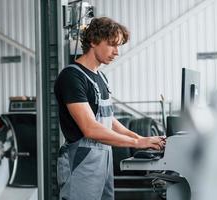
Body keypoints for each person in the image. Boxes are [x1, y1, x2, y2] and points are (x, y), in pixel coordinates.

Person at [54, 17, 166, 200]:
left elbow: (109, 120)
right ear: (93, 41)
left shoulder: (101, 77)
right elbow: (90, 128)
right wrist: (137, 144)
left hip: (103, 160)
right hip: (81, 161)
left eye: (119, 46)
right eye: (112, 45)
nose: (116, 52)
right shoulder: (72, 77)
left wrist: (142, 138)